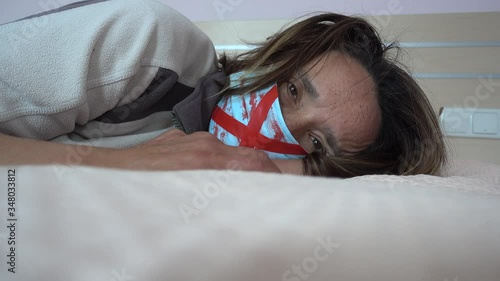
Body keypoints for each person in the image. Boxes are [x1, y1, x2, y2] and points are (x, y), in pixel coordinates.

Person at [0, 0, 446, 177]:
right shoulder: (151, 45)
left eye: (314, 142)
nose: (280, 128)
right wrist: (125, 163)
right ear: (278, 58)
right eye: (292, 90)